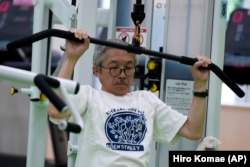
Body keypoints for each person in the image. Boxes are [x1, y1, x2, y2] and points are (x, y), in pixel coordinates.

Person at [48, 28, 211, 167]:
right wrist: (71, 58)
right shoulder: (89, 96)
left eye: (128, 68)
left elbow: (193, 131)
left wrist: (200, 83)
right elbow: (55, 111)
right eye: (114, 68)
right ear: (96, 70)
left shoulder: (147, 100)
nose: (122, 74)